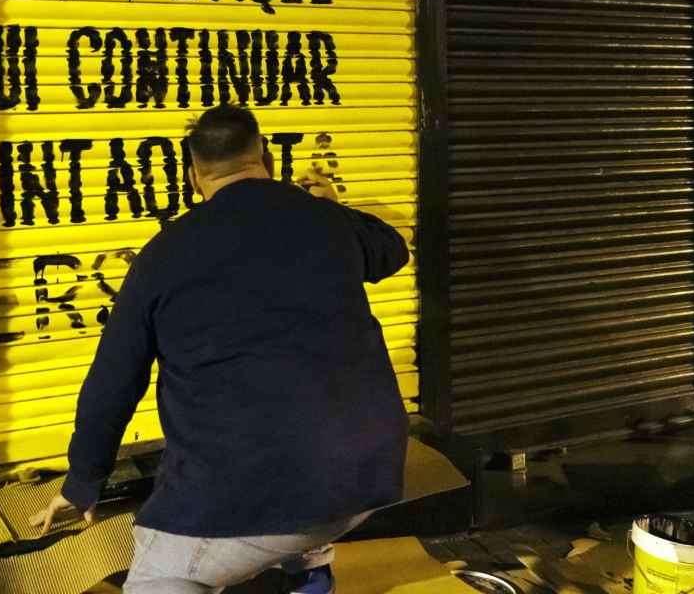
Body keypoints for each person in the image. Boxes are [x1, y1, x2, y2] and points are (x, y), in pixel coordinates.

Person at [30, 104, 411, 593]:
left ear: (193, 178)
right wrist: (329, 206)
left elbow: (113, 381)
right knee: (293, 420)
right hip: (368, 475)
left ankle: (294, 559)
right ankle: (310, 573)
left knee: (162, 575)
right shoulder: (328, 223)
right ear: (267, 159)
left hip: (253, 489)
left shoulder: (163, 256)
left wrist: (83, 481)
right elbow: (392, 249)